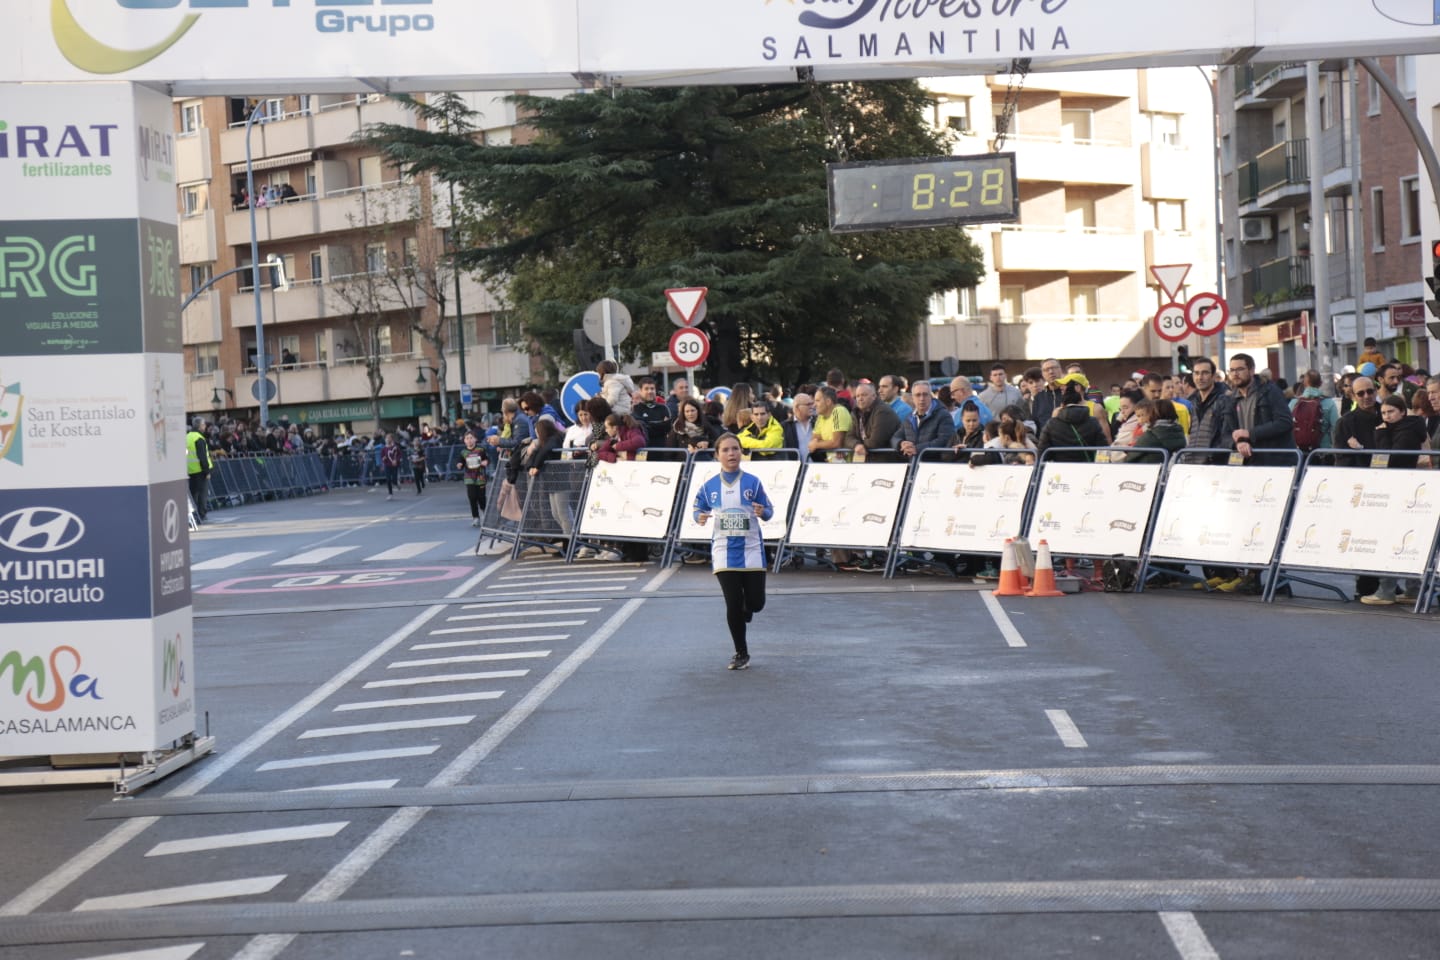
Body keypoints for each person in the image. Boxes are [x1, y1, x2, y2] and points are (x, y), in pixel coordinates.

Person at [693, 433, 775, 671]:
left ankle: (747, 610)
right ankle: (741, 652)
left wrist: (763, 512)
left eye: (735, 449)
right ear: (717, 455)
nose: (731, 454)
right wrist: (698, 516)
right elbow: (698, 507)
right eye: (726, 450)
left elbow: (768, 510)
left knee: (756, 603)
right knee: (733, 602)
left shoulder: (753, 482)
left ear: (741, 452)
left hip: (751, 550)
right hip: (723, 551)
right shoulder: (710, 486)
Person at [1359, 395, 1430, 605]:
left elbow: (1386, 458)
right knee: (1404, 540)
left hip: (1401, 491)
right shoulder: (1398, 429)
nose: (1386, 417)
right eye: (1383, 413)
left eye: (1391, 412)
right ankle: (1411, 589)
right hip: (1403, 490)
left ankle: (1387, 590)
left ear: (1402, 412)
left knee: (1391, 539)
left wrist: (1380, 434)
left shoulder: (1406, 430)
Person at [1035, 373, 1107, 462]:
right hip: (1087, 467)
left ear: (1077, 387)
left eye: (1065, 385)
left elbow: (1106, 441)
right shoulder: (1057, 411)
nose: (1061, 387)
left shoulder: (1096, 408)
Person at [456, 431, 489, 525]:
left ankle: (484, 511)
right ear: (464, 441)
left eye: (471, 438)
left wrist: (485, 462)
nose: (469, 440)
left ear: (475, 439)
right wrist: (459, 464)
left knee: (481, 497)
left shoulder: (480, 450)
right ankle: (475, 517)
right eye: (467, 438)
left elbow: (486, 459)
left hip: (480, 477)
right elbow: (460, 462)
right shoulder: (463, 452)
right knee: (472, 497)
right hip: (469, 478)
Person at [631, 376, 672, 448]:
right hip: (643, 451)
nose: (650, 391)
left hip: (662, 450)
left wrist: (648, 424)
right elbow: (642, 429)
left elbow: (668, 428)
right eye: (646, 389)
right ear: (640, 391)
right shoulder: (636, 409)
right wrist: (661, 424)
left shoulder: (663, 408)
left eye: (652, 388)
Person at [185, 417, 213, 522]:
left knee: (194, 495)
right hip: (200, 471)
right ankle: (202, 515)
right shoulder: (199, 438)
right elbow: (202, 457)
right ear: (200, 426)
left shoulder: (187, 437)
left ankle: (194, 516)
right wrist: (207, 471)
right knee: (202, 494)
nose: (205, 426)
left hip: (190, 471)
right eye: (204, 424)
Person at [380, 433, 403, 499]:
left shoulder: (395, 447)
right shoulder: (384, 448)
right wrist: (383, 459)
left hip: (394, 465)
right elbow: (382, 456)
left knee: (394, 479)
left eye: (388, 438)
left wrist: (396, 460)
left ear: (392, 439)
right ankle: (390, 493)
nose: (387, 439)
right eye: (386, 438)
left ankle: (396, 483)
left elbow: (399, 455)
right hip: (387, 465)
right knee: (388, 479)